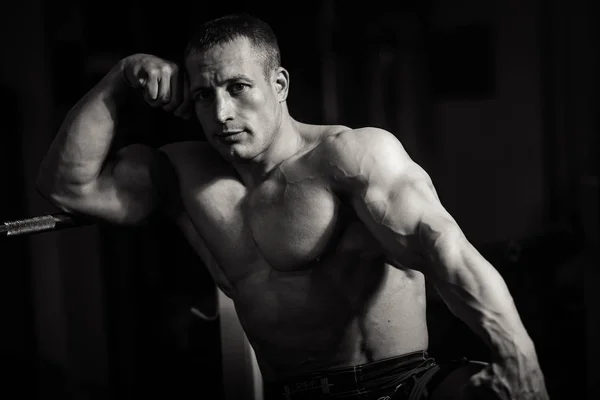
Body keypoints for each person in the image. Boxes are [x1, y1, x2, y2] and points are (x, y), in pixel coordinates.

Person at [36, 12, 549, 400]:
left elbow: (443, 249)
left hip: (397, 382)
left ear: (278, 85)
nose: (220, 113)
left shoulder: (350, 156)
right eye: (202, 96)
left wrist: (516, 352)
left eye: (238, 89)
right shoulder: (182, 175)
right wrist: (121, 78)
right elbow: (67, 188)